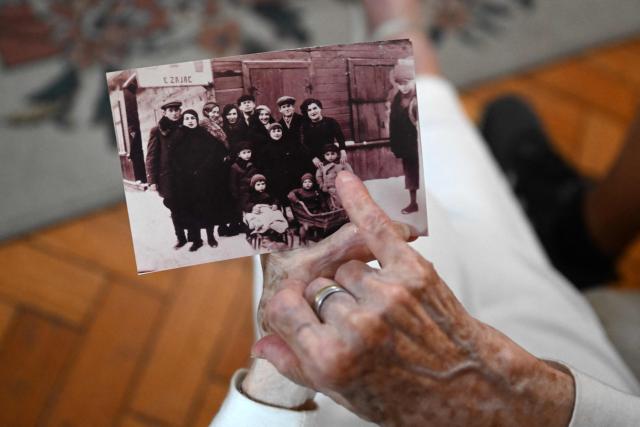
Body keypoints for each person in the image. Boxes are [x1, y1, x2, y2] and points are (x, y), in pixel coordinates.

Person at [211, 0, 640, 424]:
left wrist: (274, 385)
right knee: (467, 203)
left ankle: (403, 41)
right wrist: (527, 393)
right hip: (568, 375)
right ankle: (404, 39)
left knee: (342, 232)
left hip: (338, 402)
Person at [172, 109, 231, 251]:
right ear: (183, 121)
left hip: (205, 178)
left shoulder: (204, 134)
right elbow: (174, 158)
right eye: (187, 118)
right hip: (188, 181)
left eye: (193, 118)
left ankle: (210, 237)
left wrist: (203, 168)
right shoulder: (179, 137)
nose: (190, 121)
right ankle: (197, 240)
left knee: (207, 207)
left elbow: (215, 152)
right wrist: (186, 171)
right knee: (192, 210)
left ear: (197, 120)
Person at [145, 99, 188, 248]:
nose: (175, 113)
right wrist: (152, 180)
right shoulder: (157, 130)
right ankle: (181, 237)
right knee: (175, 207)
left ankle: (194, 235)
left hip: (187, 174)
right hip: (169, 176)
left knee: (190, 204)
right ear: (164, 112)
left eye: (177, 110)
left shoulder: (187, 125)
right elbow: (151, 156)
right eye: (171, 110)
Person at [388, 58, 420, 214]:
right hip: (408, 145)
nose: (403, 87)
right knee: (411, 173)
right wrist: (396, 146)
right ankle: (413, 203)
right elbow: (393, 124)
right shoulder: (397, 99)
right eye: (399, 83)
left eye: (406, 82)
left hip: (421, 142)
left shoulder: (419, 96)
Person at [262, 122, 305, 206]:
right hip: (275, 179)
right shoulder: (265, 149)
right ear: (269, 133)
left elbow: (295, 161)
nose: (276, 133)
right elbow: (265, 167)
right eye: (273, 131)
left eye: (279, 131)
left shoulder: (289, 145)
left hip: (290, 177)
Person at [300, 98, 348, 170]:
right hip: (314, 160)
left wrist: (343, 150)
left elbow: (340, 137)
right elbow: (304, 144)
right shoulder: (305, 126)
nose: (313, 112)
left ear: (320, 108)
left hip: (330, 157)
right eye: (309, 110)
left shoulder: (331, 122)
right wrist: (313, 158)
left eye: (315, 108)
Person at [243, 174, 289, 241]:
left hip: (268, 210)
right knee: (250, 216)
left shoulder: (268, 193)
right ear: (253, 186)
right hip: (258, 212)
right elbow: (246, 204)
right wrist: (253, 207)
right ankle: (259, 226)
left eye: (263, 184)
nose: (261, 186)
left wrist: (275, 204)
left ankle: (276, 225)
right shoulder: (250, 195)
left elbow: (275, 200)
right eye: (258, 185)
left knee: (277, 213)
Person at [316, 144, 354, 209]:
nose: (330, 156)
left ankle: (344, 211)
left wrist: (347, 183)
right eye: (327, 154)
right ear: (324, 156)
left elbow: (350, 173)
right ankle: (335, 212)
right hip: (328, 189)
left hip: (341, 187)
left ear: (337, 154)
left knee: (344, 201)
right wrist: (322, 185)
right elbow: (318, 176)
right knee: (331, 202)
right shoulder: (322, 166)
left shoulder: (341, 163)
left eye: (333, 154)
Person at [229, 141, 260, 214]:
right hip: (241, 193)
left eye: (249, 152)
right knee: (246, 205)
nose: (247, 155)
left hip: (252, 191)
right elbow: (232, 183)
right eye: (244, 153)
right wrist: (236, 195)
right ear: (239, 154)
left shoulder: (252, 165)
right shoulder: (235, 167)